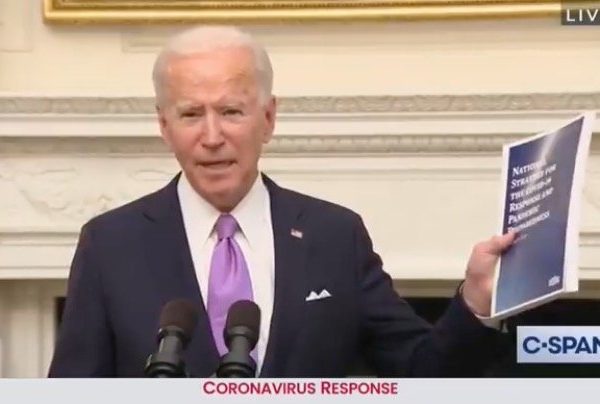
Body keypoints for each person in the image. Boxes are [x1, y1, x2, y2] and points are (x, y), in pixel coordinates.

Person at [48, 26, 515, 377]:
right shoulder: (111, 244)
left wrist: (476, 300)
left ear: (268, 118)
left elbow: (423, 371)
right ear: (164, 126)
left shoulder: (335, 236)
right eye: (191, 114)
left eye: (231, 111)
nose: (212, 136)